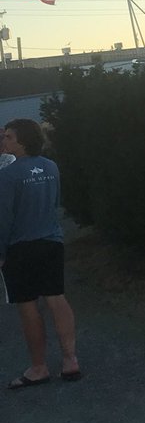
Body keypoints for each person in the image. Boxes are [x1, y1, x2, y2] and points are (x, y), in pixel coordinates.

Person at [0, 118, 81, 390]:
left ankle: (38, 367)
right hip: (51, 243)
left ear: (22, 140)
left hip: (20, 248)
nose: (4, 141)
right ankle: (70, 360)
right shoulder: (51, 167)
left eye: (8, 137)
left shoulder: (8, 175)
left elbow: (4, 219)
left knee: (27, 305)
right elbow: (55, 203)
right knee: (56, 297)